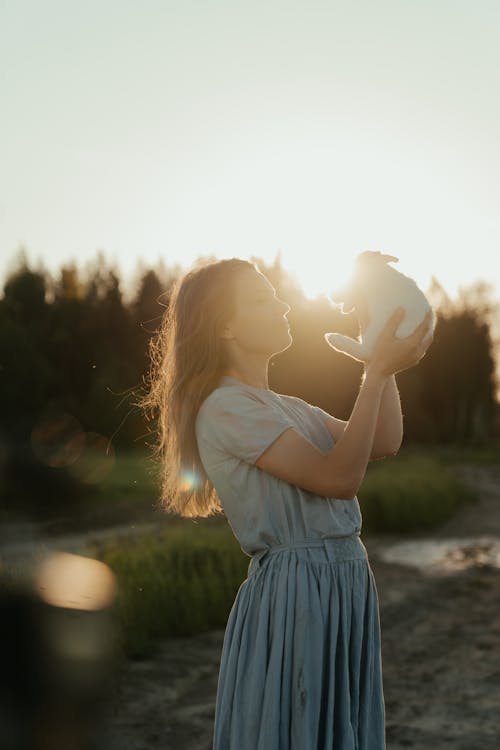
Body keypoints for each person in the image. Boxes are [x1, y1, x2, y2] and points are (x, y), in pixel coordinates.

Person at [142, 257, 433, 749]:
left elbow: (383, 438)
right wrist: (378, 367)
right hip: (298, 594)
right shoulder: (225, 407)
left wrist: (375, 350)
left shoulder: (286, 406)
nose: (280, 304)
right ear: (226, 326)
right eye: (261, 299)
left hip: (340, 585)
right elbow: (339, 478)